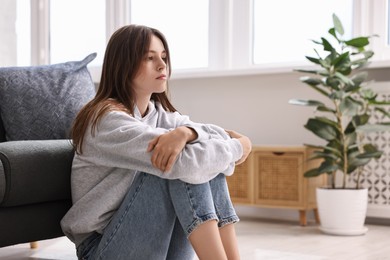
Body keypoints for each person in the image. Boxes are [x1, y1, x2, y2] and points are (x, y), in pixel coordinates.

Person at [61, 24, 252, 260]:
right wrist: (240, 146)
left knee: (205, 162)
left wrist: (187, 133)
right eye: (150, 58)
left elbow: (214, 142)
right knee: (179, 165)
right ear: (124, 64)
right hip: (102, 248)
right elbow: (189, 164)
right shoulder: (106, 120)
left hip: (155, 241)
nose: (162, 65)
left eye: (164, 57)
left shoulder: (160, 114)